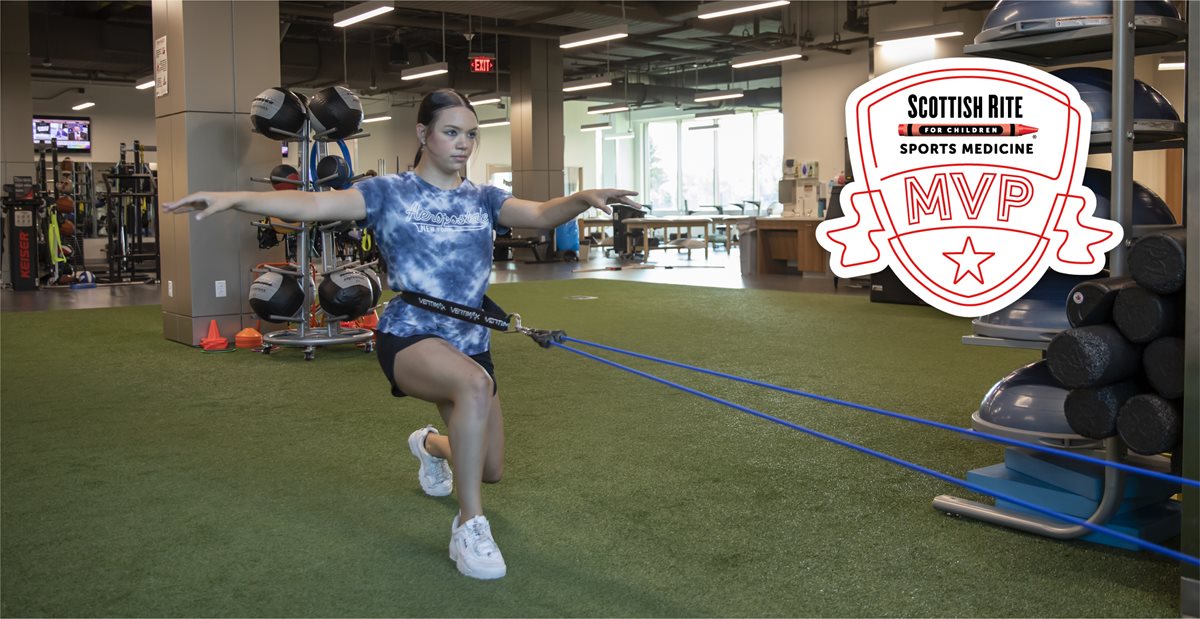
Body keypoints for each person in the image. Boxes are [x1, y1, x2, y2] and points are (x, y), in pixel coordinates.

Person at [163, 88, 640, 580]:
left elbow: (540, 215)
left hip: (470, 341)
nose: (463, 144)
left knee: (490, 467)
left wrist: (583, 198)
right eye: (451, 132)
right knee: (473, 385)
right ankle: (469, 525)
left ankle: (430, 445)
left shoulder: (484, 199)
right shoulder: (389, 193)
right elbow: (310, 205)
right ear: (423, 135)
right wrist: (231, 198)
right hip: (410, 335)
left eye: (471, 135)